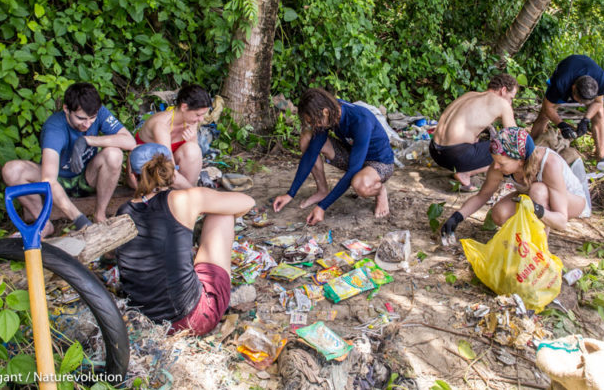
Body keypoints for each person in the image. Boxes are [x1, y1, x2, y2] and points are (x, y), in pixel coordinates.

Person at [115, 143, 254, 335]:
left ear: (132, 175)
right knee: (222, 214)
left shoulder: (122, 211)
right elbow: (247, 202)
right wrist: (199, 208)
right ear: (171, 172)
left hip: (145, 318)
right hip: (192, 320)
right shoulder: (183, 199)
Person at [2, 83, 136, 236]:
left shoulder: (99, 113)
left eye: (92, 118)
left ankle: (100, 215)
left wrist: (88, 140)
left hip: (87, 179)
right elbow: (49, 180)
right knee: (11, 170)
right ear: (66, 109)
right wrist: (79, 220)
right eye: (81, 118)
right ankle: (44, 224)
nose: (87, 124)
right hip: (58, 181)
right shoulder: (54, 128)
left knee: (114, 154)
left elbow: (129, 141)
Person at [272, 88, 394, 225]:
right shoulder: (330, 111)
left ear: (325, 112)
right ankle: (322, 190)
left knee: (360, 184)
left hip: (379, 163)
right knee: (307, 137)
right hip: (354, 154)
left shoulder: (360, 121)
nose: (314, 126)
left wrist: (322, 207)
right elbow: (311, 153)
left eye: (314, 122)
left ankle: (380, 190)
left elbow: (353, 169)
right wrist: (290, 193)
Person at [440, 127, 588, 238]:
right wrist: (457, 217)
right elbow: (482, 196)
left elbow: (561, 221)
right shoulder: (499, 166)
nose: (496, 167)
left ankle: (539, 248)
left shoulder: (549, 164)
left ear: (521, 161)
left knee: (538, 190)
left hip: (570, 201)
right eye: (495, 162)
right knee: (499, 214)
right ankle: (521, 240)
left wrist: (538, 210)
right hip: (533, 197)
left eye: (501, 163)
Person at [430, 73, 519, 190]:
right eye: (511, 98)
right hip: (454, 156)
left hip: (435, 152)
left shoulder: (470, 95)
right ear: (503, 90)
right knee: (509, 147)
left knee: (485, 138)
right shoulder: (502, 103)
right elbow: (516, 138)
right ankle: (465, 174)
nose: (510, 103)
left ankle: (464, 169)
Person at [530, 55, 604, 162]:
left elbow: (598, 102)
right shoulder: (561, 82)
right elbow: (548, 107)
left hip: (587, 72)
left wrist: (585, 120)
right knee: (543, 116)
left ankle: (601, 156)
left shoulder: (600, 79)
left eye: (584, 103)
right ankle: (529, 150)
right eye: (579, 100)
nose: (581, 105)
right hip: (568, 69)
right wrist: (561, 125)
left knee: (599, 114)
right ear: (573, 88)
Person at [129, 84, 211, 189]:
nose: (201, 119)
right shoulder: (161, 125)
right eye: (198, 115)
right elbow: (169, 170)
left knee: (193, 149)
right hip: (146, 171)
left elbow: (195, 159)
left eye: (203, 114)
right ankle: (188, 194)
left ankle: (184, 194)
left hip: (169, 168)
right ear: (184, 107)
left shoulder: (191, 120)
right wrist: (195, 193)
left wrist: (193, 140)